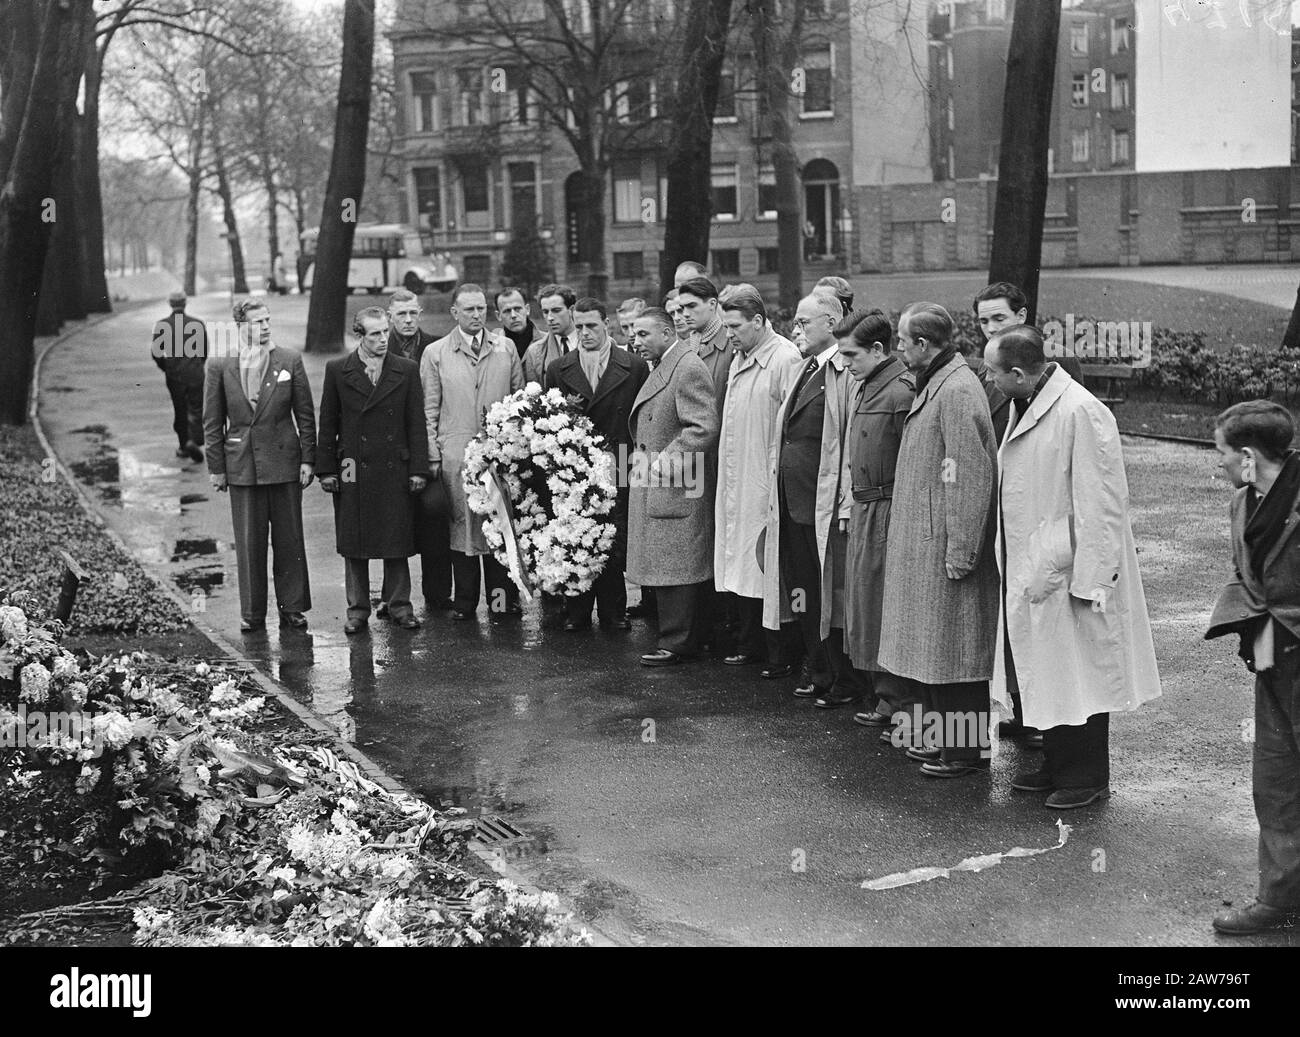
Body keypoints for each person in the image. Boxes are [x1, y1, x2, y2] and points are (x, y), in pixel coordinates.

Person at [986, 326, 1161, 808]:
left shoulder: (1082, 411)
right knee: (1050, 670)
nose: (989, 377)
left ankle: (1086, 776)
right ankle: (1058, 764)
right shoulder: (1030, 405)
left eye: (993, 370)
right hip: (1040, 566)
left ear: (1019, 373)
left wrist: (1092, 580)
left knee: (1082, 672)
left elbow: (1103, 505)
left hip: (1069, 572)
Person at [876, 302, 999, 778]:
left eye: (904, 341)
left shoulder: (958, 389)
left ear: (925, 345)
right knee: (935, 651)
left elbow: (970, 476)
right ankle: (949, 744)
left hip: (946, 545)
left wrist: (963, 550)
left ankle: (965, 753)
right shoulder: (942, 381)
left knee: (956, 655)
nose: (899, 349)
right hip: (928, 542)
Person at [1206, 401, 1300, 934]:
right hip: (1271, 653)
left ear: (1247, 456)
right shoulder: (1243, 503)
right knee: (1276, 776)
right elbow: (1245, 576)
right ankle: (1280, 897)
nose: (1216, 465)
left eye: (1220, 453)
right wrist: (1250, 635)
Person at [762, 289, 858, 708]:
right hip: (792, 500)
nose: (794, 329)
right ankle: (818, 669)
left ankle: (842, 677)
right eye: (796, 322)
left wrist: (845, 500)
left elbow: (849, 441)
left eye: (804, 322)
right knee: (802, 589)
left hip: (822, 502)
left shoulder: (844, 370)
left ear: (831, 323)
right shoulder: (804, 367)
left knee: (829, 595)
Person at [202, 299, 315, 633]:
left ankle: (292, 607)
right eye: (256, 322)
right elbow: (212, 422)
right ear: (240, 327)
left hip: (285, 463)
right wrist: (217, 467)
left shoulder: (289, 360)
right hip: (242, 465)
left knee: (289, 539)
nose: (265, 327)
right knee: (250, 543)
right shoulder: (220, 365)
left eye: (267, 320)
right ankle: (252, 613)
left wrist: (309, 459)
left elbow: (305, 414)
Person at [317, 308, 429, 634]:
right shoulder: (338, 370)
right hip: (352, 466)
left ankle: (400, 606)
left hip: (395, 464)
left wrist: (418, 468)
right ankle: (357, 610)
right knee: (355, 542)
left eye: (385, 333)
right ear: (359, 336)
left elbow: (416, 423)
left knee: (396, 538)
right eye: (374, 334)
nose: (383, 339)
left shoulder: (405, 369)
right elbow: (328, 422)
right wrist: (326, 469)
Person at [834, 309, 920, 736]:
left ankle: (905, 705)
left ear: (879, 350)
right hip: (867, 508)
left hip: (889, 510)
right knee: (867, 607)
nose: (846, 365)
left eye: (851, 355)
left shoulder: (901, 391)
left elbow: (911, 463)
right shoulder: (867, 385)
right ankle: (887, 696)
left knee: (889, 608)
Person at [421, 283, 525, 621]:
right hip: (456, 456)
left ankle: (499, 603)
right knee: (462, 530)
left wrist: (514, 448)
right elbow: (429, 409)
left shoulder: (504, 348)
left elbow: (519, 400)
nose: (477, 314)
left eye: (481, 308)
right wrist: (434, 457)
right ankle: (465, 605)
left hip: (499, 455)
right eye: (469, 309)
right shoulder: (436, 353)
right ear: (454, 313)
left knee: (498, 529)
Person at [544, 298, 649, 631]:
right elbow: (551, 423)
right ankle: (576, 610)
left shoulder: (632, 366)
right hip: (576, 467)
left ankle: (613, 611)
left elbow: (640, 417)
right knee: (577, 537)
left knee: (612, 537)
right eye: (580, 327)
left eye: (592, 325)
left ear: (607, 325)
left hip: (617, 458)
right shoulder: (559, 369)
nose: (585, 333)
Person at [714, 283, 801, 677]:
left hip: (764, 477)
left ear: (759, 321)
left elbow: (791, 428)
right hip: (737, 473)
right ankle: (751, 642)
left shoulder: (785, 358)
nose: (728, 334)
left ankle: (780, 651)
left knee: (767, 566)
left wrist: (774, 478)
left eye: (734, 326)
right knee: (742, 561)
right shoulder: (739, 358)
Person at [627, 307, 719, 665]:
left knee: (678, 562)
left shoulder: (687, 366)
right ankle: (679, 637)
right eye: (635, 335)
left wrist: (662, 464)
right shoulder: (669, 365)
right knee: (669, 558)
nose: (636, 341)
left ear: (667, 334)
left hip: (678, 482)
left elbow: (702, 427)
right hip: (664, 481)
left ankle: (679, 641)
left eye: (643, 334)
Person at [387, 288, 451, 610]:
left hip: (429, 445)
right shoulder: (379, 347)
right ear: (390, 317)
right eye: (402, 314)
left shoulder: (437, 346)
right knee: (392, 526)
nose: (409, 320)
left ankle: (438, 596)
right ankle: (393, 598)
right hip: (392, 450)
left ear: (420, 313)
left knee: (434, 517)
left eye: (413, 313)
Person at [152, 291, 207, 463]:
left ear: (170, 304)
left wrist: (166, 368)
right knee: (196, 409)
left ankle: (184, 445)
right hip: (195, 373)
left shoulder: (162, 325)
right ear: (185, 303)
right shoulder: (197, 324)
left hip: (174, 374)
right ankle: (195, 441)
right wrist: (197, 365)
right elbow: (204, 350)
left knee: (180, 408)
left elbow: (156, 353)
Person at [523, 283, 579, 384]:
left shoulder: (596, 342)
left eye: (556, 310)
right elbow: (535, 394)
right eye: (545, 312)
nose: (550, 318)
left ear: (571, 310)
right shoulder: (535, 352)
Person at [497, 286, 543, 359]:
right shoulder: (492, 347)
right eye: (507, 311)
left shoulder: (547, 342)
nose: (513, 315)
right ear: (498, 315)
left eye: (517, 309)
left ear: (527, 309)